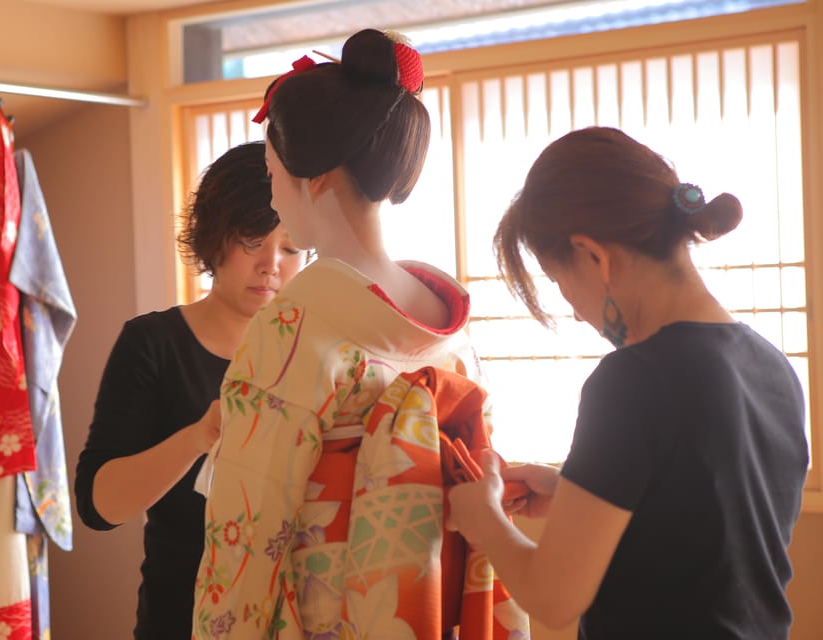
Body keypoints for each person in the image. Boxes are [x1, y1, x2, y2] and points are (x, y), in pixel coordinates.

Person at [191, 28, 529, 640]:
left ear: (315, 178)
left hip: (331, 612)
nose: (272, 193)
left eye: (271, 175)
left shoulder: (292, 326)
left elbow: (246, 527)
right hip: (428, 606)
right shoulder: (447, 326)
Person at [446, 126, 809, 638]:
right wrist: (575, 488)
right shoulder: (773, 366)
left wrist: (484, 520)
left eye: (558, 281)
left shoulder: (633, 380)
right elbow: (712, 535)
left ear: (593, 254)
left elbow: (552, 598)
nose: (573, 312)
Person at [73, 141, 306, 640]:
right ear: (213, 238)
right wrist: (199, 436)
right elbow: (98, 506)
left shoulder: (317, 350)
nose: (271, 264)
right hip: (179, 617)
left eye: (290, 247)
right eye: (251, 240)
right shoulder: (151, 344)